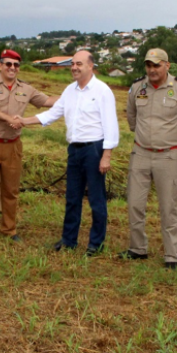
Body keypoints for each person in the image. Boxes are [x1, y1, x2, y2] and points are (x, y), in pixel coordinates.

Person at [20, 50, 119, 256]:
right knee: (72, 197)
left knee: (96, 198)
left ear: (91, 66)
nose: (74, 67)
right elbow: (52, 114)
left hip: (94, 149)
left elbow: (111, 124)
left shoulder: (102, 90)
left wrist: (106, 155)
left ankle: (96, 243)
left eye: (79, 64)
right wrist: (24, 121)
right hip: (74, 150)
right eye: (72, 63)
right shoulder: (69, 91)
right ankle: (68, 240)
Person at [118, 48, 177, 269]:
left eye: (156, 65)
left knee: (168, 207)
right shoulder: (137, 87)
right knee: (135, 204)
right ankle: (137, 248)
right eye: (149, 65)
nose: (152, 70)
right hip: (141, 154)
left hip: (168, 156)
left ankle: (172, 255)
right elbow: (132, 117)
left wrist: (174, 147)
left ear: (167, 65)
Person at [0, 50, 58, 241]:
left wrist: (72, 95)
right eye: (8, 64)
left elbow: (47, 102)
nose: (12, 68)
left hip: (12, 146)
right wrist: (8, 118)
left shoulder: (26, 88)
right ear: (1, 65)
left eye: (16, 65)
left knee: (11, 190)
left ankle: (9, 229)